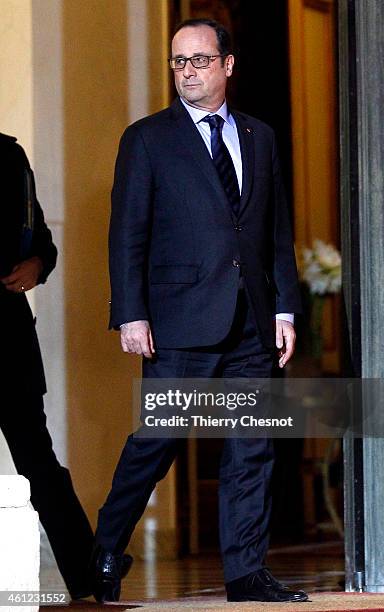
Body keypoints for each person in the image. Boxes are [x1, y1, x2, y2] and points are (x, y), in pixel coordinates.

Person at [91, 19, 308, 603]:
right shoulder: (147, 139)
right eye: (178, 62)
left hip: (251, 323)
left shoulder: (260, 137)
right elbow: (126, 234)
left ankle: (244, 574)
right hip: (178, 321)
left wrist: (285, 308)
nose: (188, 71)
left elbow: (274, 233)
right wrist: (131, 314)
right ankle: (107, 546)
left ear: (227, 64)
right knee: (157, 442)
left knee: (250, 447)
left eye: (200, 60)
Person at [0, 132, 94, 600]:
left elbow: (40, 240)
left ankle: (88, 573)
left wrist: (38, 262)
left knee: (40, 463)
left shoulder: (8, 155)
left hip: (8, 340)